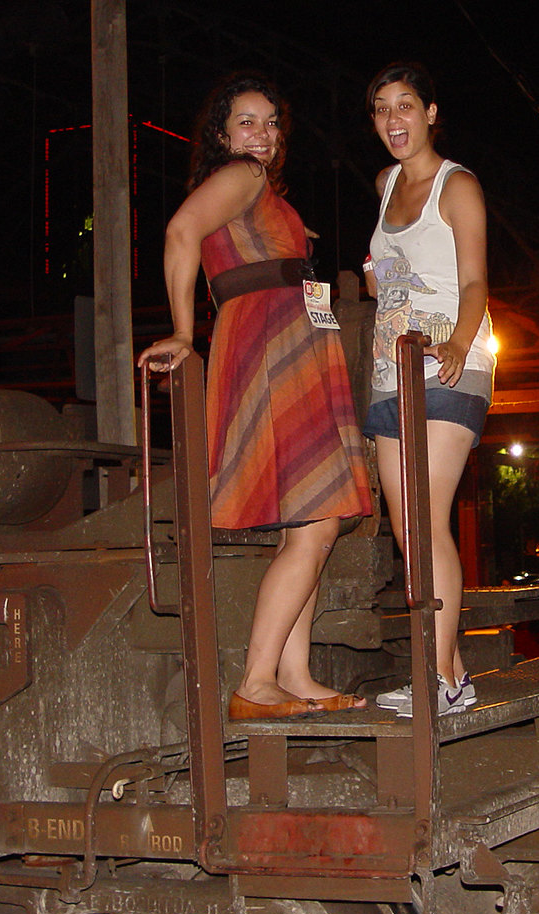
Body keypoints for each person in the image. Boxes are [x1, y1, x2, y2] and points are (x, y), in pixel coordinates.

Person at [137, 72, 372, 722]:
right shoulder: (241, 174)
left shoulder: (260, 189)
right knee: (317, 520)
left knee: (310, 518)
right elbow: (180, 231)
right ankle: (257, 681)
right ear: (221, 133)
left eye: (271, 123)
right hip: (271, 342)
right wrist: (182, 332)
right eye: (247, 122)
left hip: (289, 340)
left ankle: (291, 673)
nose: (263, 134)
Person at [361, 62, 493, 717]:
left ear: (431, 113)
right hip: (390, 370)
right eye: (382, 108)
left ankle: (434, 676)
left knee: (425, 517)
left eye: (406, 104)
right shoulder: (385, 184)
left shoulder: (457, 184)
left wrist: (460, 343)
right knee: (406, 529)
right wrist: (374, 273)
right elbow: (385, 274)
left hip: (447, 365)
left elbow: (473, 281)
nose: (394, 119)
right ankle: (455, 677)